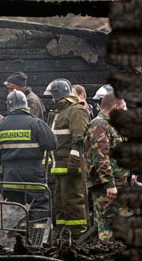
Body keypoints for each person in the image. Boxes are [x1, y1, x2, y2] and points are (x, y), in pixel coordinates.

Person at [0, 90, 58, 220]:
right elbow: (52, 144)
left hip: (10, 176)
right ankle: (37, 233)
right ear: (25, 105)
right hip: (33, 174)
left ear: (9, 106)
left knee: (14, 207)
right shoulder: (36, 123)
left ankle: (16, 234)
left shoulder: (0, 126)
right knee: (38, 204)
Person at [84, 91, 136, 242]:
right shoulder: (99, 125)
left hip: (117, 184)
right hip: (107, 187)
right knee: (110, 230)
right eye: (123, 107)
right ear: (115, 107)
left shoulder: (111, 125)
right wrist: (109, 184)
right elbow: (101, 157)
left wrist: (129, 174)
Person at [44, 78, 90, 239]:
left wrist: (74, 164)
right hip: (59, 167)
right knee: (61, 204)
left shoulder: (76, 110)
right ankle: (64, 236)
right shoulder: (59, 112)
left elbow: (79, 140)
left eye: (52, 96)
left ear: (58, 94)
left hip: (70, 168)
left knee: (73, 204)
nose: (51, 99)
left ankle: (79, 236)